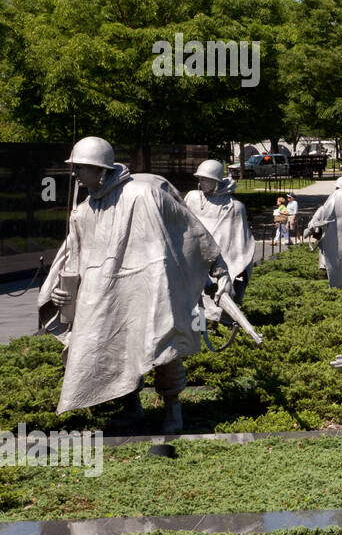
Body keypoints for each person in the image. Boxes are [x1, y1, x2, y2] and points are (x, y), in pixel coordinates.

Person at [37, 137, 232, 435]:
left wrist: (218, 267)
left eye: (81, 168)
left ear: (100, 169)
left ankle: (172, 406)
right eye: (74, 167)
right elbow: (73, 259)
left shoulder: (144, 194)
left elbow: (190, 228)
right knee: (110, 349)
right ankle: (131, 405)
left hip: (148, 286)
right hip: (102, 295)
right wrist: (62, 292)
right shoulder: (83, 212)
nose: (75, 173)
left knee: (162, 347)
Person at [185, 159, 255, 306]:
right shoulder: (192, 198)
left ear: (216, 180)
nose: (202, 182)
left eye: (206, 179)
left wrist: (231, 271)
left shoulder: (234, 207)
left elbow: (239, 244)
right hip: (192, 256)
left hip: (217, 262)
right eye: (200, 178)